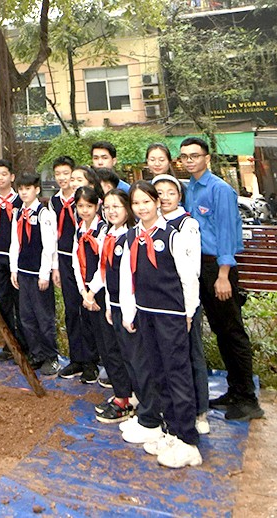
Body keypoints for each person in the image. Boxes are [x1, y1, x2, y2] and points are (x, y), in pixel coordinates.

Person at [120, 181, 201, 469]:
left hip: (172, 315)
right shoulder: (132, 237)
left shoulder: (173, 235)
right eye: (136, 203)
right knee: (158, 374)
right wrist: (129, 314)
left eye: (146, 201)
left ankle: (188, 440)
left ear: (157, 202)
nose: (142, 208)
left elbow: (188, 277)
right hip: (146, 314)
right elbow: (129, 279)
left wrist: (189, 311)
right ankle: (170, 431)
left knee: (178, 374)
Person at [181, 136, 264, 421]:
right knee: (220, 330)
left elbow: (228, 233)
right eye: (185, 157)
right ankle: (234, 391)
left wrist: (224, 275)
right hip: (199, 267)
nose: (189, 160)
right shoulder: (191, 187)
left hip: (218, 268)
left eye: (194, 155)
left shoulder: (220, 190)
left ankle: (248, 399)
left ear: (207, 157)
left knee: (232, 331)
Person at [153, 174, 209, 434]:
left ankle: (200, 411)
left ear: (180, 196)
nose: (165, 197)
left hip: (183, 299)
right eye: (159, 192)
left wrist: (189, 304)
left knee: (191, 353)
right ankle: (170, 410)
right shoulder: (151, 224)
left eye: (170, 192)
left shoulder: (187, 224)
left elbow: (192, 268)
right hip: (159, 301)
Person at [8, 173, 59, 375]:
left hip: (39, 274)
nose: (24, 192)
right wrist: (14, 269)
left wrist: (44, 274)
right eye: (20, 189)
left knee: (44, 318)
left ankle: (51, 356)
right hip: (23, 272)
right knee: (26, 317)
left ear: (37, 190)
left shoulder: (45, 214)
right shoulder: (18, 213)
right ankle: (36, 353)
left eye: (27, 188)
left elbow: (49, 246)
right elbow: (15, 243)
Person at [95, 189, 137, 424]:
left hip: (128, 306)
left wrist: (126, 310)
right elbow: (105, 271)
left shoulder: (130, 236)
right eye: (107, 207)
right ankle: (122, 395)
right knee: (113, 351)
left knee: (131, 354)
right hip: (112, 302)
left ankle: (134, 400)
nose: (111, 211)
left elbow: (130, 279)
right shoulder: (108, 234)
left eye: (116, 207)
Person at [50, 156, 86, 382]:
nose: (63, 179)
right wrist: (55, 266)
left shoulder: (83, 199)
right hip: (63, 259)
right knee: (72, 311)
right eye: (59, 174)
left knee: (88, 311)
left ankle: (92, 361)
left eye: (67, 174)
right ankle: (76, 359)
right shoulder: (54, 202)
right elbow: (53, 235)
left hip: (83, 259)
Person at [0, 159, 26, 363]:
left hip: (16, 256)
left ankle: (25, 344)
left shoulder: (20, 200)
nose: (0, 178)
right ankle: (9, 343)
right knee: (4, 301)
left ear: (12, 177)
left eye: (4, 174)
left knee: (20, 301)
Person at [68, 186, 106, 384]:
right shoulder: (79, 228)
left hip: (101, 288)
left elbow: (105, 264)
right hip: (86, 288)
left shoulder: (104, 229)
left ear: (97, 205)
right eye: (80, 205)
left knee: (104, 329)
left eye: (88, 206)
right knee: (87, 325)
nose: (84, 210)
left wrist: (92, 291)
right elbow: (75, 261)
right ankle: (90, 365)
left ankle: (109, 367)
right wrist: (83, 290)